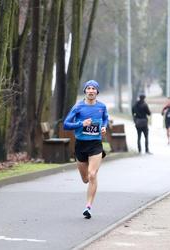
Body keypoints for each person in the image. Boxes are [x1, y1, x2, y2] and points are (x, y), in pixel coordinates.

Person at [63, 80, 108, 219]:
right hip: (81, 145)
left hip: (95, 144)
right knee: (85, 179)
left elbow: (105, 119)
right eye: (88, 88)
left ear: (97, 92)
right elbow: (66, 124)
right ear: (85, 91)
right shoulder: (78, 107)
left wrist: (104, 127)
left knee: (92, 174)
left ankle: (88, 207)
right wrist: (81, 123)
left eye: (93, 88)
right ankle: (88, 188)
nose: (91, 91)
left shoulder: (102, 107)